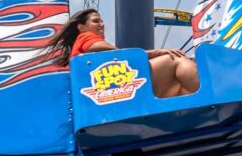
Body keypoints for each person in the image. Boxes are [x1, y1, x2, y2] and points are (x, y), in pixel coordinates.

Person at [47, 8, 200, 98]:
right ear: (81, 27)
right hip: (115, 87)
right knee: (174, 59)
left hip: (111, 88)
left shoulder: (82, 44)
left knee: (177, 86)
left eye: (101, 21)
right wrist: (160, 51)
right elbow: (120, 55)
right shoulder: (85, 37)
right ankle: (207, 93)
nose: (102, 24)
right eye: (96, 21)